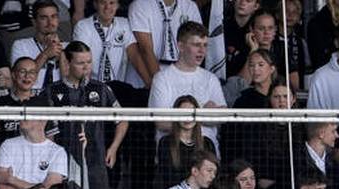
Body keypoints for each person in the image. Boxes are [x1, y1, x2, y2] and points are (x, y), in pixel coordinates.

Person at [47, 41, 127, 189]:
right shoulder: (53, 91)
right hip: (63, 160)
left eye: (89, 62)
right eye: (80, 63)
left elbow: (123, 119)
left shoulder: (101, 89)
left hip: (96, 161)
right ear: (68, 63)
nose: (86, 67)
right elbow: (48, 132)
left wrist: (113, 148)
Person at [148, 22, 226, 150]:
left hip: (207, 152)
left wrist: (181, 118)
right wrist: (203, 113)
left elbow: (223, 117)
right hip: (173, 151)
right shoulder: (162, 78)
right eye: (196, 45)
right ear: (181, 46)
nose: (202, 50)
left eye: (205, 45)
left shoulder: (211, 79)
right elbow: (161, 122)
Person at [129, 0, 203, 89]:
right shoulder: (140, 4)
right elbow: (145, 49)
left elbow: (195, 47)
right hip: (149, 76)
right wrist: (162, 84)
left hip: (181, 75)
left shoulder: (190, 6)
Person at [74, 0, 147, 89]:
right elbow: (82, 61)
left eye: (112, 3)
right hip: (91, 86)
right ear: (95, 5)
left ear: (117, 5)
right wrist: (87, 91)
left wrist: (150, 83)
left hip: (117, 88)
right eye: (102, 3)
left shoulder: (124, 24)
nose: (107, 7)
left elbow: (135, 56)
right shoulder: (83, 26)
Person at [11, 0, 68, 90]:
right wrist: (45, 55)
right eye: (44, 18)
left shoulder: (68, 47)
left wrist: (60, 52)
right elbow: (19, 79)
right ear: (34, 22)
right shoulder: (20, 45)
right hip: (31, 98)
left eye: (54, 17)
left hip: (60, 99)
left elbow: (70, 84)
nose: (50, 22)